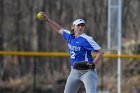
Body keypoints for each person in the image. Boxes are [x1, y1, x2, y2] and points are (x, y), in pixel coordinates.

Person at [41, 12, 104, 93]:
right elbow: (59, 29)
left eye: (82, 25)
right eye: (78, 25)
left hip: (87, 71)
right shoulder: (70, 36)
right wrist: (47, 20)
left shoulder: (87, 39)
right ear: (73, 27)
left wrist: (93, 64)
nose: (80, 27)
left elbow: (101, 52)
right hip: (74, 71)